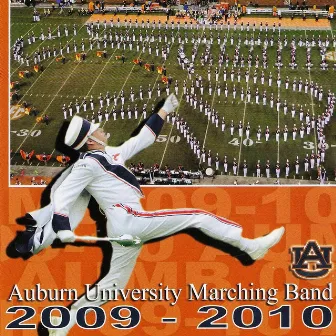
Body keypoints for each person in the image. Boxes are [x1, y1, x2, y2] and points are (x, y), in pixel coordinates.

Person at [12, 95, 284, 336]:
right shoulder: (86, 164)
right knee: (198, 216)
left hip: (124, 226)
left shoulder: (110, 154)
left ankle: (64, 324)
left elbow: (141, 140)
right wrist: (60, 225)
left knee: (113, 284)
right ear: (91, 140)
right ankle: (249, 246)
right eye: (97, 129)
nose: (102, 129)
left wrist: (163, 111)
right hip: (128, 218)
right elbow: (63, 195)